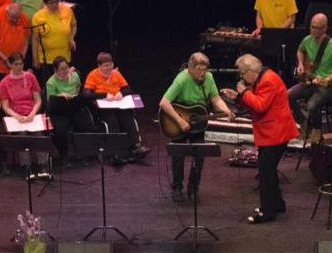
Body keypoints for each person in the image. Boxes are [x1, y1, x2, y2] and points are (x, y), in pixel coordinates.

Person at [222, 54, 297, 223]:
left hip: (276, 133)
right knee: (268, 170)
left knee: (265, 171)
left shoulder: (268, 80)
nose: (241, 76)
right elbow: (255, 101)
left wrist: (244, 92)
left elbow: (260, 105)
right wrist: (237, 96)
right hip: (271, 132)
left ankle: (268, 212)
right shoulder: (262, 78)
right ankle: (277, 204)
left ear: (250, 71)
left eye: (242, 73)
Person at [158, 52, 234, 202]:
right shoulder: (182, 79)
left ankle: (193, 188)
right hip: (178, 121)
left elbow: (215, 98)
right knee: (178, 156)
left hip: (198, 121)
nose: (202, 73)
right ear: (191, 68)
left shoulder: (208, 78)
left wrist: (226, 111)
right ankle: (177, 188)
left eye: (204, 69)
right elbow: (164, 103)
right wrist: (180, 121)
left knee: (199, 156)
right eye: (199, 70)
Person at [83, 52, 151, 161]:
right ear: (99, 66)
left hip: (118, 104)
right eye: (105, 66)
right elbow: (86, 94)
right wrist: (104, 95)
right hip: (104, 107)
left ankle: (136, 146)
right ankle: (114, 152)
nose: (109, 68)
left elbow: (129, 89)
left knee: (128, 116)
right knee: (112, 120)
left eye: (110, 65)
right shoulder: (93, 75)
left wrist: (121, 93)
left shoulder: (116, 74)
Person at [289, 13, 332, 142]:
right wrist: (301, 64)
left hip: (328, 86)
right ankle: (303, 122)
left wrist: (326, 79)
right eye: (312, 27)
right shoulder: (307, 40)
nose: (313, 30)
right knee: (287, 95)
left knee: (312, 105)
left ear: (324, 28)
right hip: (311, 80)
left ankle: (317, 129)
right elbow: (300, 50)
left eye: (317, 28)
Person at [45, 56, 95, 166]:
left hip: (74, 107)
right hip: (60, 111)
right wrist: (60, 95)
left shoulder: (74, 76)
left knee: (86, 125)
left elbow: (78, 88)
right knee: (61, 131)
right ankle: (64, 156)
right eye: (61, 69)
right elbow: (50, 101)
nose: (65, 71)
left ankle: (83, 153)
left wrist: (74, 96)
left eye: (66, 68)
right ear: (55, 70)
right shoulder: (51, 82)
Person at [31, 0, 76, 68]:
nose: (54, 5)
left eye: (56, 2)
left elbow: (73, 26)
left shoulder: (67, 11)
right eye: (50, 3)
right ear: (45, 3)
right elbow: (35, 39)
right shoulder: (38, 17)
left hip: (65, 56)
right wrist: (35, 58)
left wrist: (71, 38)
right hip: (47, 59)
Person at [0, 3, 30, 77]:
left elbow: (26, 39)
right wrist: (6, 60)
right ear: (7, 12)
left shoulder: (23, 17)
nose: (15, 20)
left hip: (19, 63)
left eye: (17, 18)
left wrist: (22, 57)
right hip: (3, 63)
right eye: (12, 17)